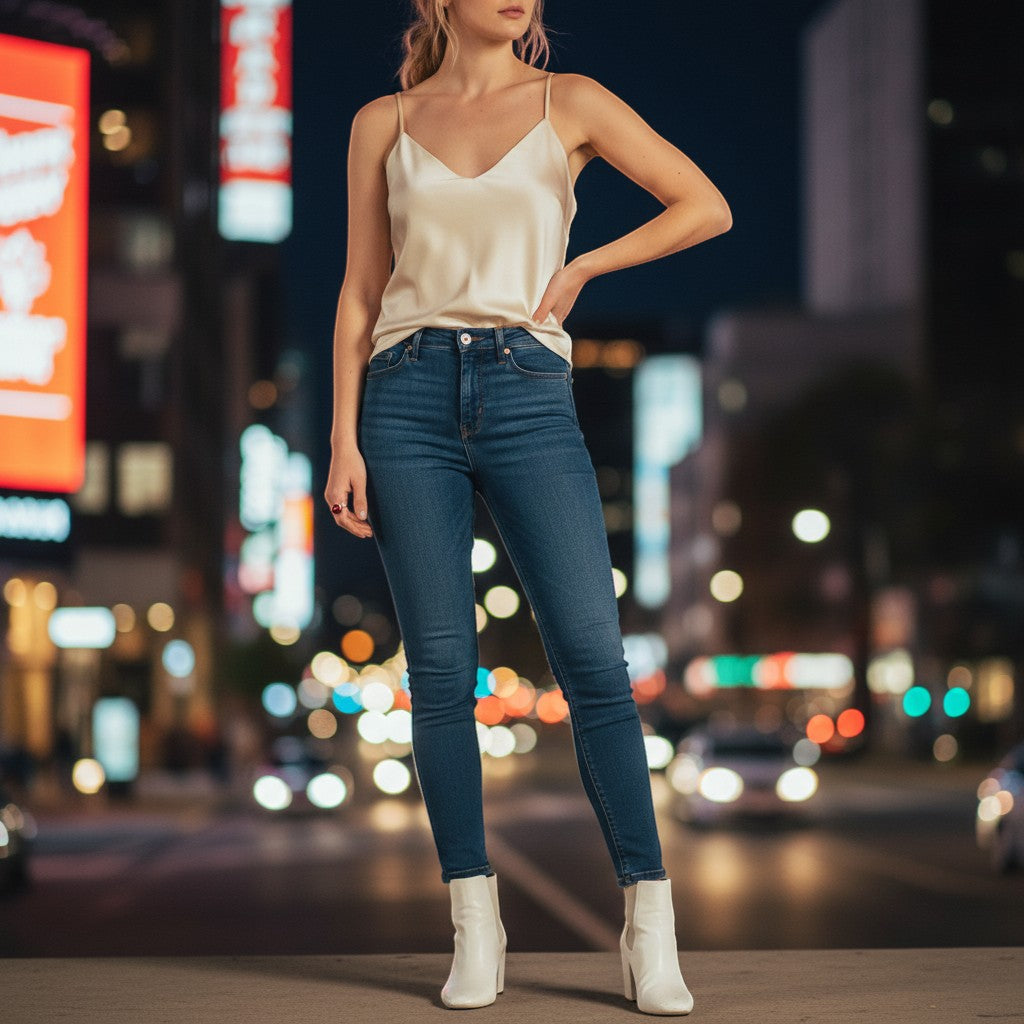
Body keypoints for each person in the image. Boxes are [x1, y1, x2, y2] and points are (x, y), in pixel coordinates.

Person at [325, 0, 731, 1013]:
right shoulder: (384, 121)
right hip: (403, 396)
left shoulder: (572, 102)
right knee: (441, 674)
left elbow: (703, 205)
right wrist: (341, 437)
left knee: (594, 660)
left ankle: (647, 927)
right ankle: (474, 925)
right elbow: (360, 290)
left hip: (526, 388)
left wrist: (588, 263)